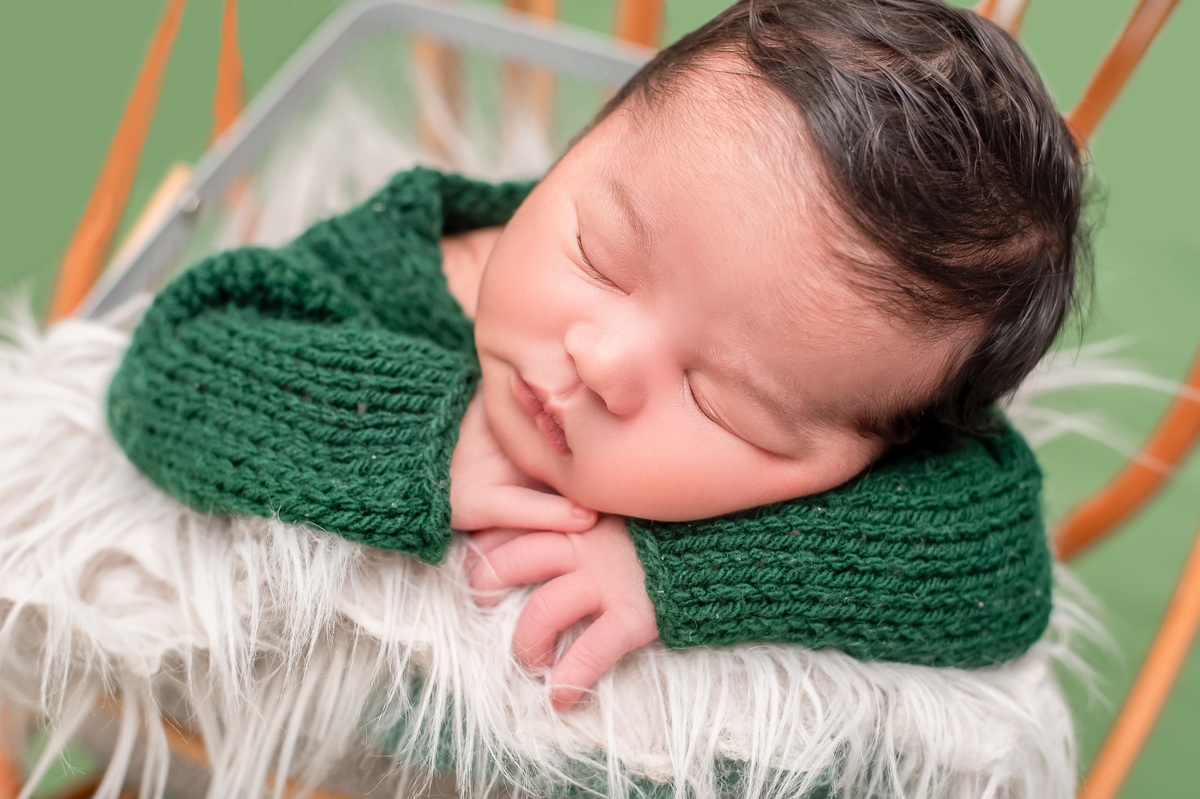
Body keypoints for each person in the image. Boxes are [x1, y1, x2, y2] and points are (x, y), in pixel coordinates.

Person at [107, 0, 1086, 711]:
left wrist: (680, 567)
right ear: (586, 139)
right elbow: (173, 360)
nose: (606, 360)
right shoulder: (406, 263)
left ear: (869, 452)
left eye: (722, 400)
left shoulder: (871, 401)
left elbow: (1003, 566)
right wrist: (421, 434)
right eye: (601, 257)